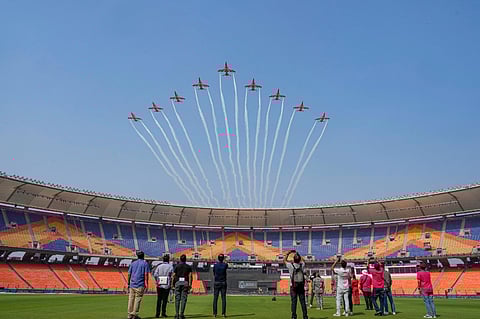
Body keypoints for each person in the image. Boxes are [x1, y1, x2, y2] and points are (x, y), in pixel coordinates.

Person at [285, 250, 309, 319]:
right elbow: (304, 261)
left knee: (294, 302)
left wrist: (288, 253)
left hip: (293, 286)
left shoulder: (290, 266)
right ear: (299, 259)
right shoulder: (302, 265)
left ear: (293, 259)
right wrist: (298, 254)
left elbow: (284, 260)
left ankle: (294, 316)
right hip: (301, 286)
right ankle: (305, 316)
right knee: (303, 302)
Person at [127, 251, 150, 319]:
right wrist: (147, 284)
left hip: (132, 284)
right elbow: (146, 275)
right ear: (143, 256)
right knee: (138, 299)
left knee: (131, 299)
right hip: (140, 284)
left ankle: (129, 314)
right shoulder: (145, 263)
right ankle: (134, 314)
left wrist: (128, 283)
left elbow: (129, 274)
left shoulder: (133, 263)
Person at [172, 254, 193, 319]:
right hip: (185, 283)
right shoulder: (188, 267)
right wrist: (190, 285)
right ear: (185, 259)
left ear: (180, 259)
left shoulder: (177, 266)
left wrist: (172, 284)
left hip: (177, 283)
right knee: (184, 299)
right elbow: (190, 276)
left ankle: (177, 314)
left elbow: (173, 276)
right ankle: (182, 314)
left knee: (177, 299)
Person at [213, 253, 228, 318]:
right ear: (223, 258)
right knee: (223, 298)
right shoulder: (225, 265)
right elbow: (226, 265)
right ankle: (223, 313)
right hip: (223, 282)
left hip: (217, 282)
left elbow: (214, 273)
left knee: (215, 299)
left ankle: (214, 313)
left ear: (218, 258)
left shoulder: (215, 265)